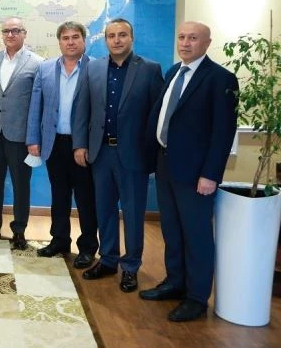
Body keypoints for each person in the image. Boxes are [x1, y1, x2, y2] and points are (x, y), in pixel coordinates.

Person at [140, 21, 238, 322]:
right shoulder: (173, 72)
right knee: (172, 230)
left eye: (193, 38)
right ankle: (175, 282)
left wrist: (211, 174)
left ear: (207, 43)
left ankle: (196, 298)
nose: (185, 43)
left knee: (196, 236)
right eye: (182, 37)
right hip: (165, 165)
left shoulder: (221, 79)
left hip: (196, 174)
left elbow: (223, 132)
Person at [72, 18, 163, 293]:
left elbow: (156, 115)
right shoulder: (93, 68)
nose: (117, 40)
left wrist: (151, 152)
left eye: (122, 35)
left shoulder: (149, 69)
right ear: (105, 40)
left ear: (131, 38)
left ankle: (131, 266)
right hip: (100, 153)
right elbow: (82, 109)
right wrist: (80, 145)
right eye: (111, 36)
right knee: (104, 210)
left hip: (133, 155)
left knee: (133, 214)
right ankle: (109, 260)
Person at [26, 21, 98, 268]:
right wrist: (33, 139)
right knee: (59, 195)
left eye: (75, 37)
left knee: (86, 198)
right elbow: (36, 106)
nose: (70, 42)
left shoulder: (96, 68)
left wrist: (85, 144)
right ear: (59, 42)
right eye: (65, 38)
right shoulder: (46, 68)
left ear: (84, 40)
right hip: (53, 143)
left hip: (82, 147)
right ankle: (59, 240)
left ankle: (87, 247)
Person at [0, 17, 43, 248]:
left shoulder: (37, 63)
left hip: (20, 136)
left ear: (24, 33)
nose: (10, 35)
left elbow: (38, 103)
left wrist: (34, 136)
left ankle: (19, 231)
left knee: (20, 185)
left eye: (15, 30)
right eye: (6, 31)